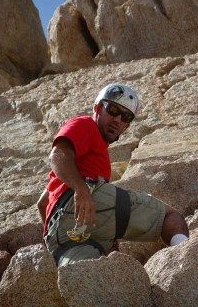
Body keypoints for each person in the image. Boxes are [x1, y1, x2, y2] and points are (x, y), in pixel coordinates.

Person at [37, 83, 189, 267]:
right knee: (169, 216)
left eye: (125, 117)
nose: (117, 119)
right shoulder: (85, 124)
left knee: (92, 275)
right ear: (97, 107)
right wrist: (81, 190)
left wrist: (104, 232)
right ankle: (187, 260)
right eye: (113, 109)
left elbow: (43, 204)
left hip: (59, 237)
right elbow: (58, 154)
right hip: (79, 200)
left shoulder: (82, 162)